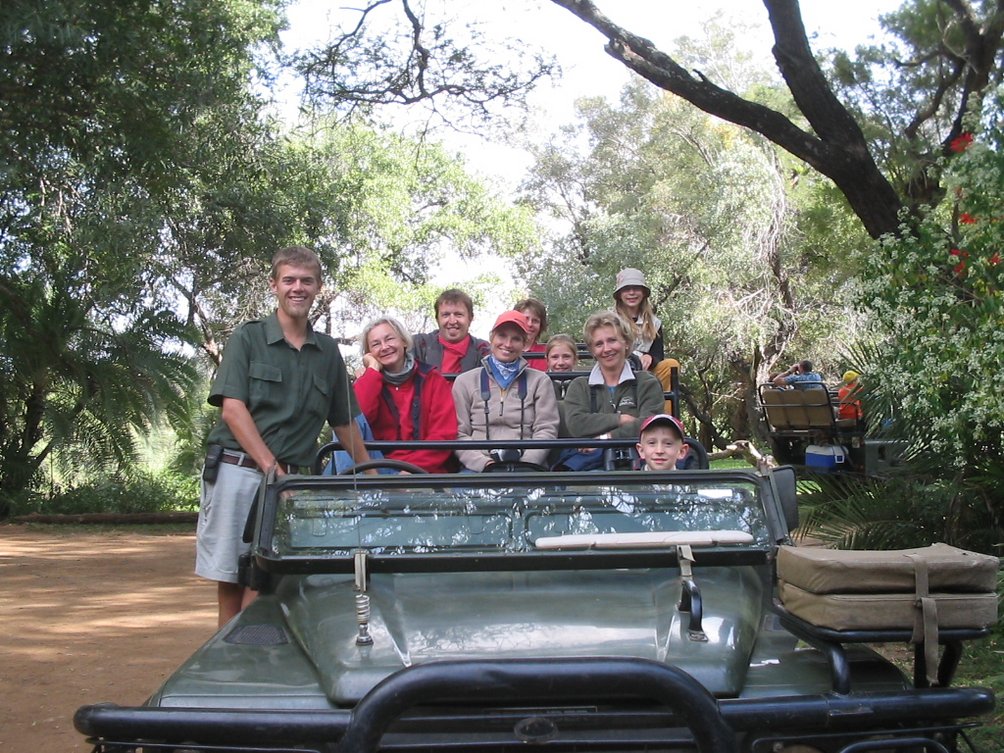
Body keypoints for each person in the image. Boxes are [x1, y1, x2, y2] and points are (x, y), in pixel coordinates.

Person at [197, 246, 373, 628]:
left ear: (318, 288)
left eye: (306, 281)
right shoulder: (248, 339)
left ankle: (250, 655)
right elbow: (232, 409)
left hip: (295, 483)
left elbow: (344, 424)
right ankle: (228, 663)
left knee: (272, 577)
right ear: (274, 285)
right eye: (289, 280)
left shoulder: (327, 351)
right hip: (239, 471)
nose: (298, 288)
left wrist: (375, 477)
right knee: (231, 577)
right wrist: (272, 471)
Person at [451, 310, 559, 472]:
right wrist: (484, 464)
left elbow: (546, 429)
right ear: (491, 338)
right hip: (477, 469)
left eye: (516, 339)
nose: (508, 344)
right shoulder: (465, 382)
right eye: (502, 336)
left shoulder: (540, 381)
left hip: (528, 467)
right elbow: (458, 433)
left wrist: (527, 463)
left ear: (524, 344)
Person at [349, 316, 458, 473]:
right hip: (376, 468)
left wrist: (409, 471)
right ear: (369, 354)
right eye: (376, 344)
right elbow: (357, 420)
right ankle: (349, 493)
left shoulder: (432, 379)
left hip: (424, 470)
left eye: (389, 339)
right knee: (345, 420)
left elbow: (444, 435)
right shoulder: (367, 382)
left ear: (404, 342)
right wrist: (372, 370)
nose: (384, 347)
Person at [561, 311, 665, 469]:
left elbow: (649, 426)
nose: (606, 349)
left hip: (638, 467)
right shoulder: (579, 386)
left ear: (626, 342)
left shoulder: (647, 383)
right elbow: (576, 424)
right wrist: (620, 419)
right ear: (592, 351)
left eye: (612, 340)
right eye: (599, 344)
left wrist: (605, 437)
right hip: (591, 469)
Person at [612, 267, 680, 411]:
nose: (631, 293)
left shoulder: (655, 323)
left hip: (647, 375)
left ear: (643, 293)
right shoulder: (610, 321)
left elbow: (658, 354)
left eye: (636, 288)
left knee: (671, 364)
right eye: (627, 289)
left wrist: (651, 358)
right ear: (619, 295)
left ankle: (664, 417)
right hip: (617, 373)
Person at [413, 288, 490, 374]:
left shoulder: (484, 350)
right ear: (437, 319)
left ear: (470, 318)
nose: (452, 321)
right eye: (446, 315)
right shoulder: (419, 345)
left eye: (459, 315)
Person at [514, 297, 549, 370]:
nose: (530, 324)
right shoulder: (504, 351)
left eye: (535, 321)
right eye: (526, 319)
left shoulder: (548, 353)